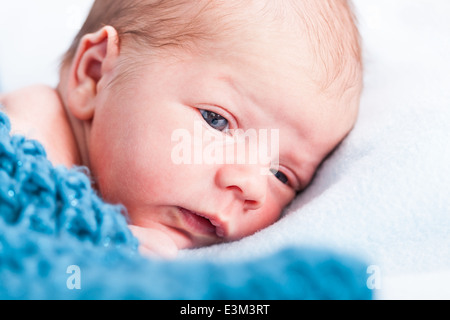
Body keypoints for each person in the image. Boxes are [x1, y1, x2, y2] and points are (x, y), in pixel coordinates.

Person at [0, 0, 362, 258]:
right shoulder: (28, 132)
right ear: (95, 76)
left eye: (281, 175)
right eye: (216, 121)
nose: (251, 186)